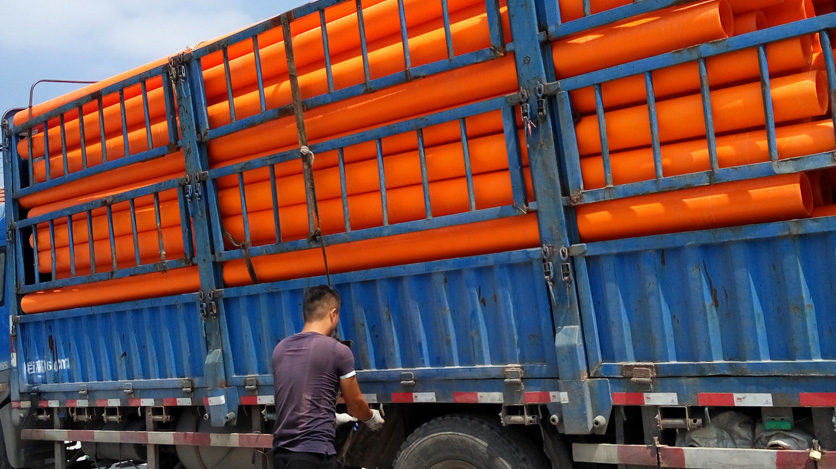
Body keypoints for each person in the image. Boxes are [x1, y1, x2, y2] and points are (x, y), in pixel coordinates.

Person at [272, 284, 385, 468]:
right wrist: (371, 417)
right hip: (315, 455)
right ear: (333, 314)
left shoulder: (280, 349)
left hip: (281, 453)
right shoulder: (338, 351)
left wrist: (331, 416)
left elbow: (296, 398)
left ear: (304, 315)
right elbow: (355, 405)